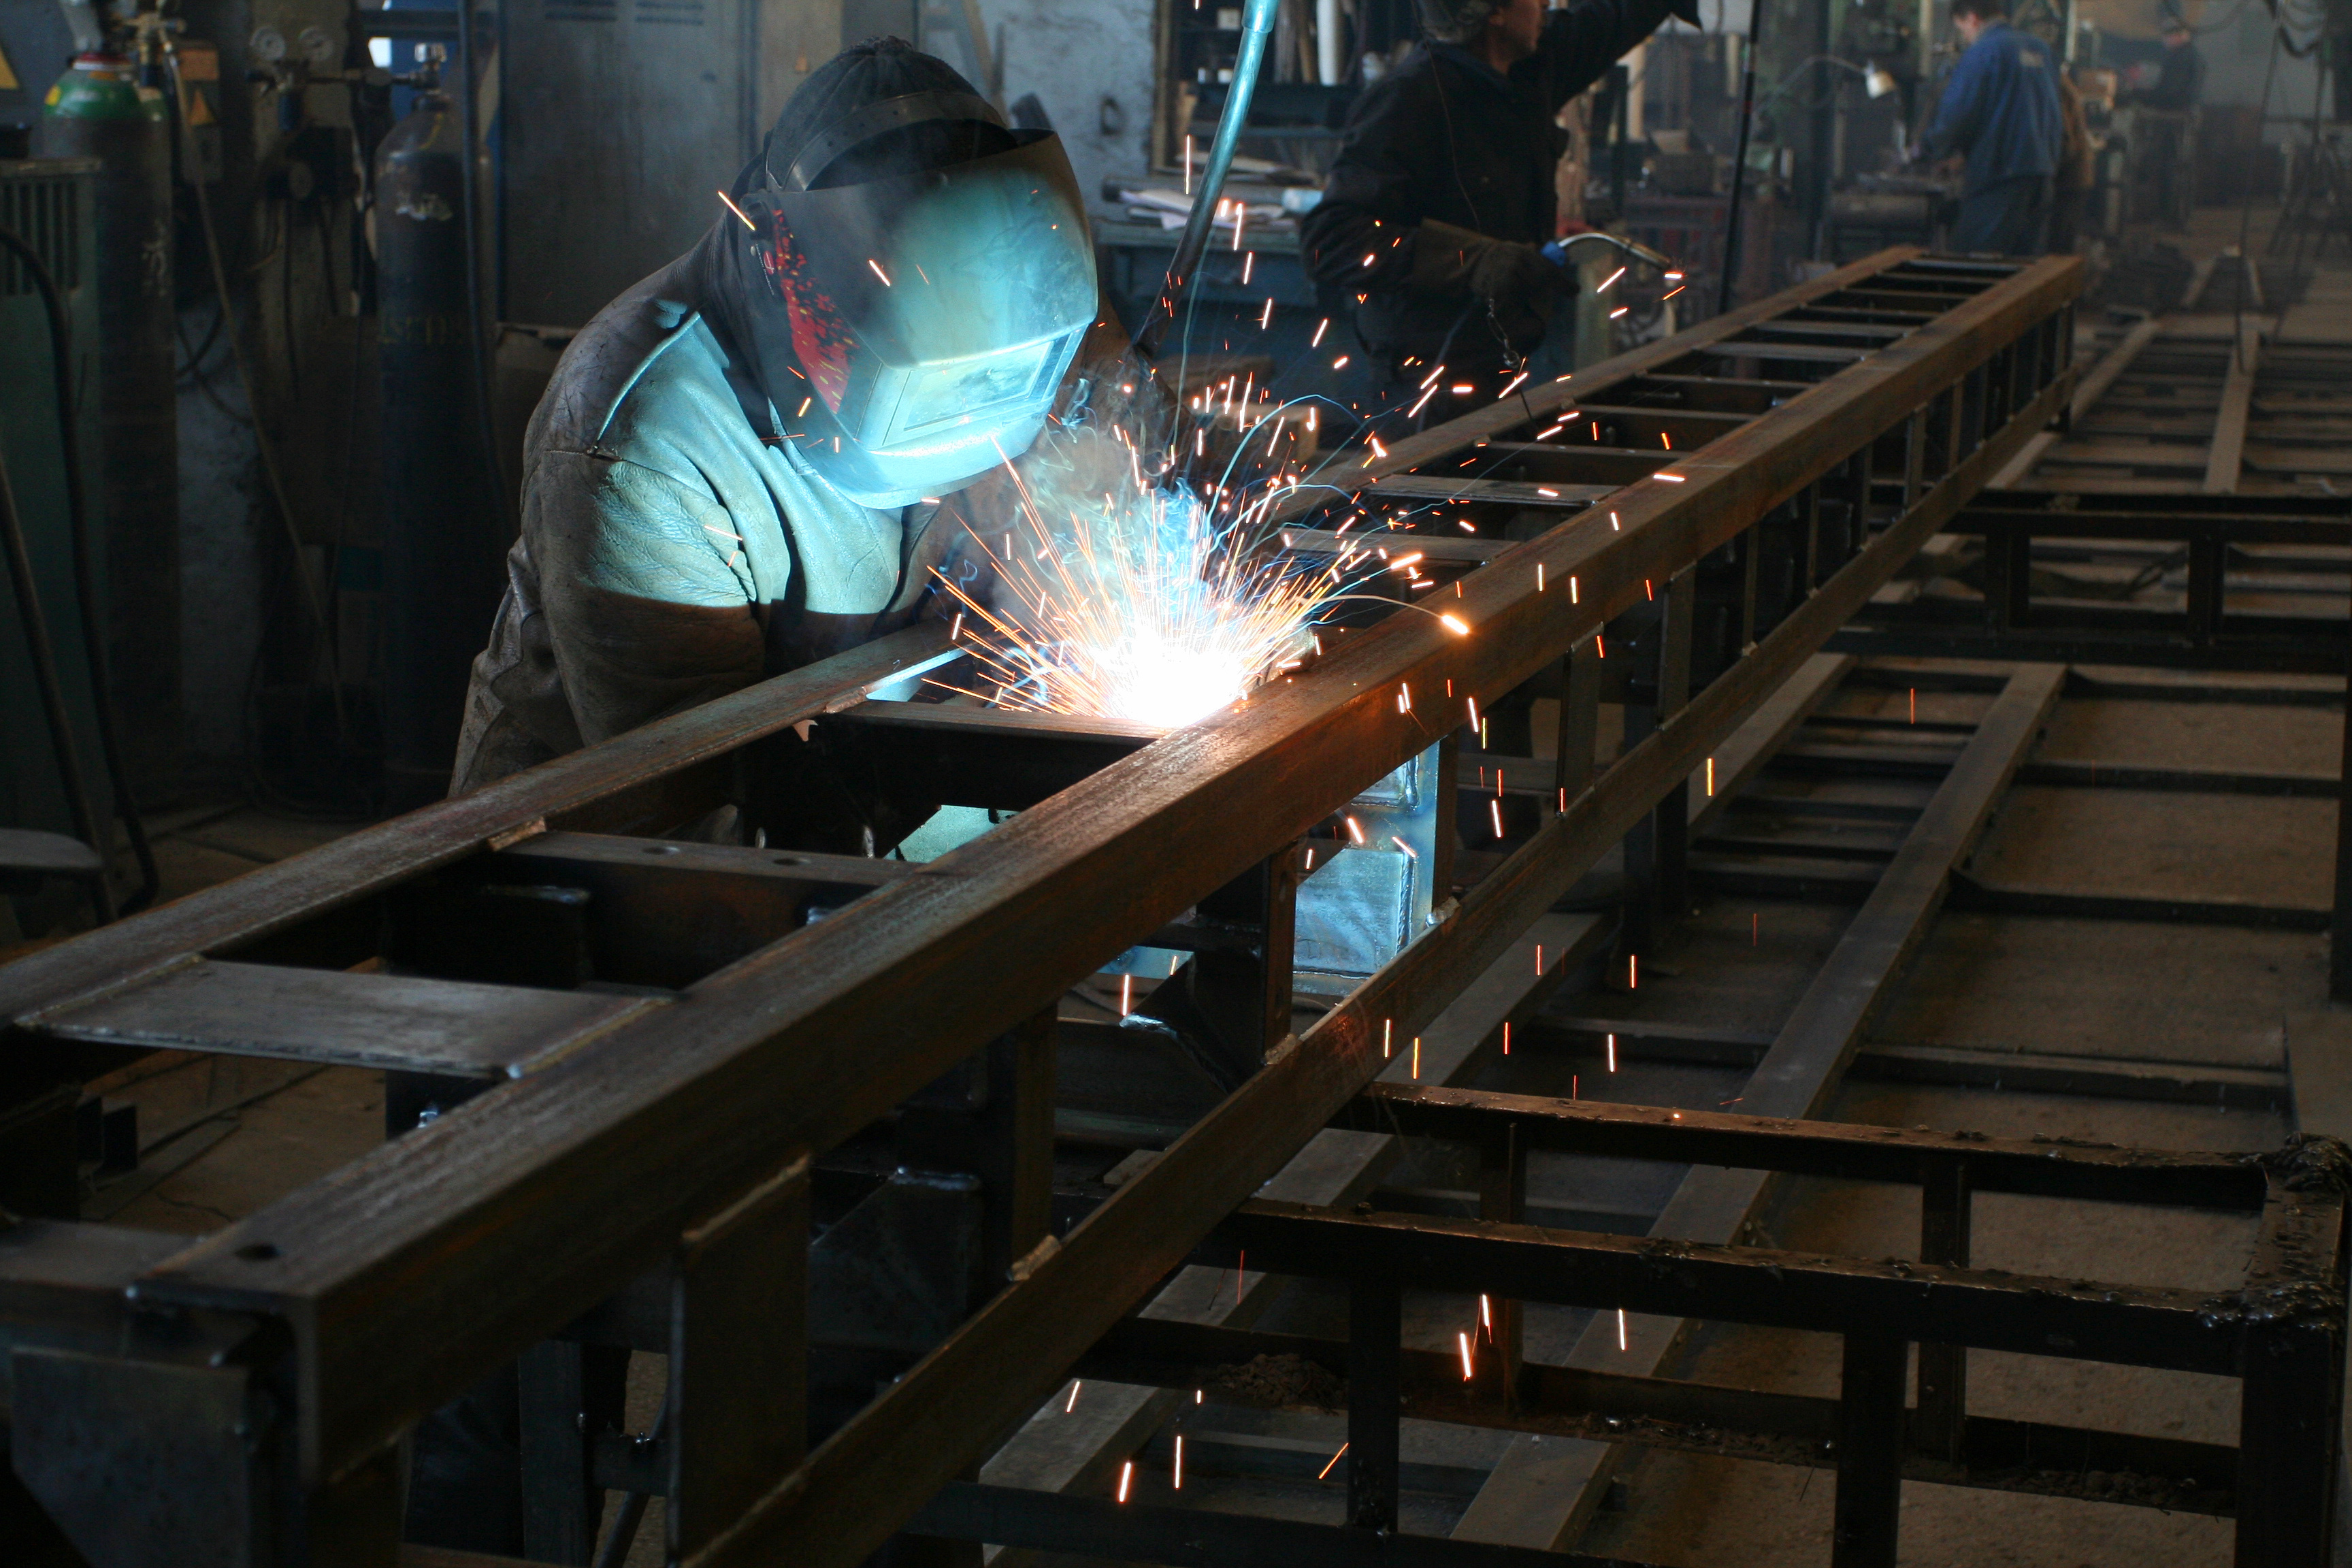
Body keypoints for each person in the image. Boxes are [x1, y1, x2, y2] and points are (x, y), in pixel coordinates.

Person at [448, 39, 1096, 838]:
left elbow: (1104, 451)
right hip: (595, 881)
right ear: (785, 265)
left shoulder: (1022, 295)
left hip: (889, 835)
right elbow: (701, 801)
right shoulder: (642, 447)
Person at [1301, 0, 1697, 399]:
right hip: (1425, 380)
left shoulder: (1528, 71)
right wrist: (1477, 261)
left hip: (1502, 360)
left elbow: (1612, 19)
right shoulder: (1407, 101)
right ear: (1495, 13)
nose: (1544, 4)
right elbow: (1331, 240)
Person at [1918, 0, 2063, 255]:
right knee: (2023, 272)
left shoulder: (1984, 51)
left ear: (1973, 19)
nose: (1966, 38)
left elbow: (1958, 112)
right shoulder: (2040, 49)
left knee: (1972, 265)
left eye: (1963, 30)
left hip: (2000, 177)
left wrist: (1929, 149)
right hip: (2042, 176)